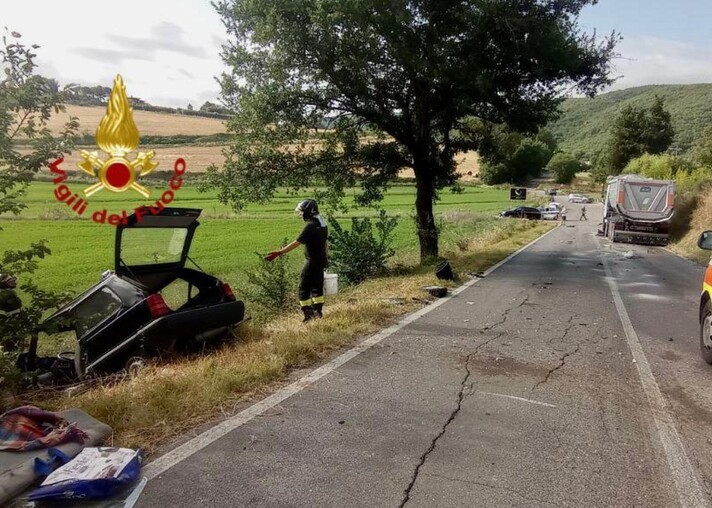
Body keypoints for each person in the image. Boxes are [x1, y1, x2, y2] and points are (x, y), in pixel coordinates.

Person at [265, 200, 329, 322]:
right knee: (317, 287)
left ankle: (308, 316)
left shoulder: (310, 226)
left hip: (311, 261)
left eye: (301, 212)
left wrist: (279, 252)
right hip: (321, 261)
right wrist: (326, 258)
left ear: (308, 212)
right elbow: (326, 243)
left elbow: (297, 242)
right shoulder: (322, 223)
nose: (300, 214)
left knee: (303, 288)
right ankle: (318, 313)